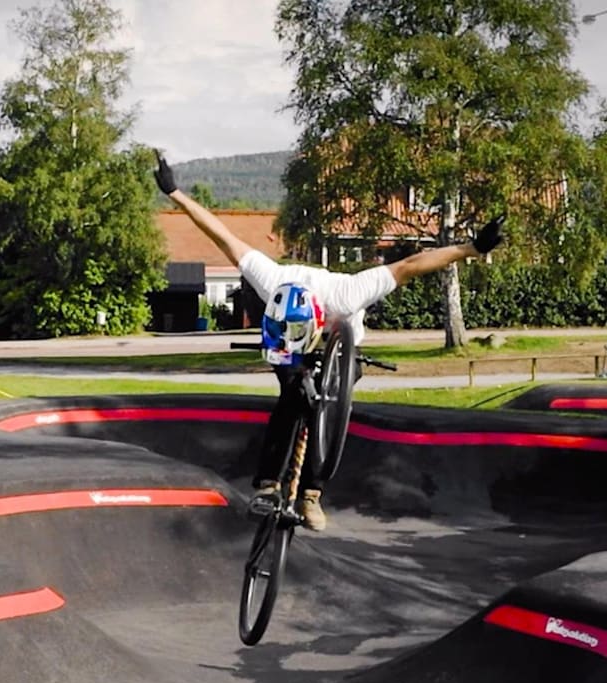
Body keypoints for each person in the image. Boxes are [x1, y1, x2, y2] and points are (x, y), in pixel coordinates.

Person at [153, 152, 505, 530]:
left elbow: (409, 266)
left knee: (326, 399)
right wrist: (174, 192)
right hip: (286, 339)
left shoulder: (349, 293)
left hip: (339, 345)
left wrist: (472, 248)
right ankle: (269, 485)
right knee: (291, 397)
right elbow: (222, 235)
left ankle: (311, 494)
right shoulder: (269, 278)